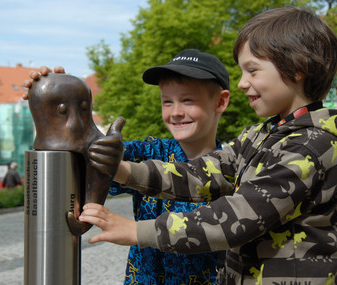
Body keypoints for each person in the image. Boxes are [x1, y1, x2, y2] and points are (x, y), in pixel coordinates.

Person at [80, 6, 337, 284]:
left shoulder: (311, 144)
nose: (242, 83)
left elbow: (240, 217)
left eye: (252, 70)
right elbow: (203, 173)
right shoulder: (261, 135)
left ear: (297, 68)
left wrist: (136, 231)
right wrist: (124, 171)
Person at [23, 49, 231, 284]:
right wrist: (58, 92)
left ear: (220, 102)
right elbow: (81, 156)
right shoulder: (148, 153)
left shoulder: (235, 170)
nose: (176, 112)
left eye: (188, 100)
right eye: (167, 102)